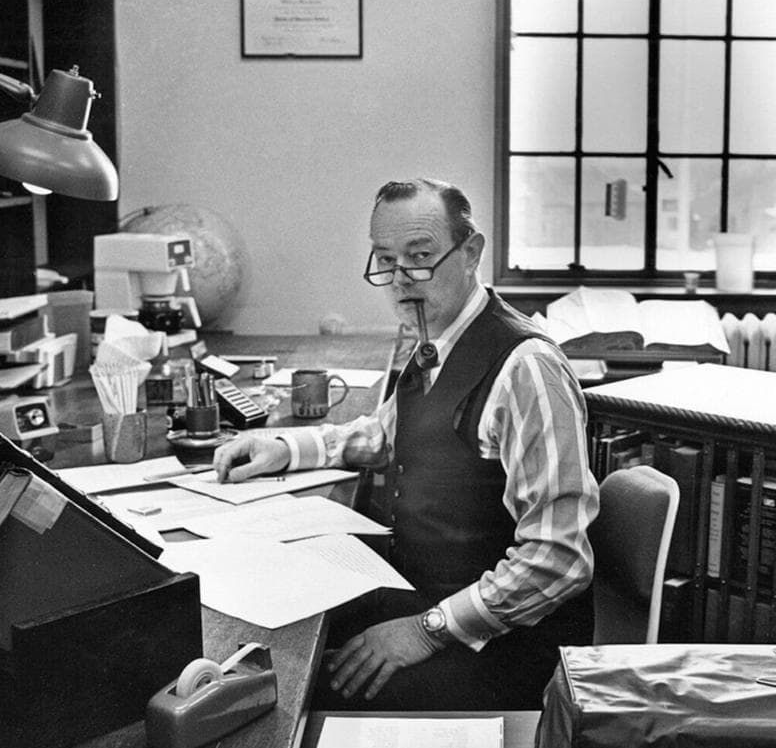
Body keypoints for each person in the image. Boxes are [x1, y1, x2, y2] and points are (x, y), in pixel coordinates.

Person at [212, 177, 599, 711]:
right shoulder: (433, 342)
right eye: (385, 261)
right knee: (265, 641)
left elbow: (557, 560)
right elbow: (383, 436)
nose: (400, 280)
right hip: (428, 598)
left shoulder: (527, 368)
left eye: (419, 258)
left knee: (283, 693)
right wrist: (285, 446)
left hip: (507, 648)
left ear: (471, 252)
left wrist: (425, 630)